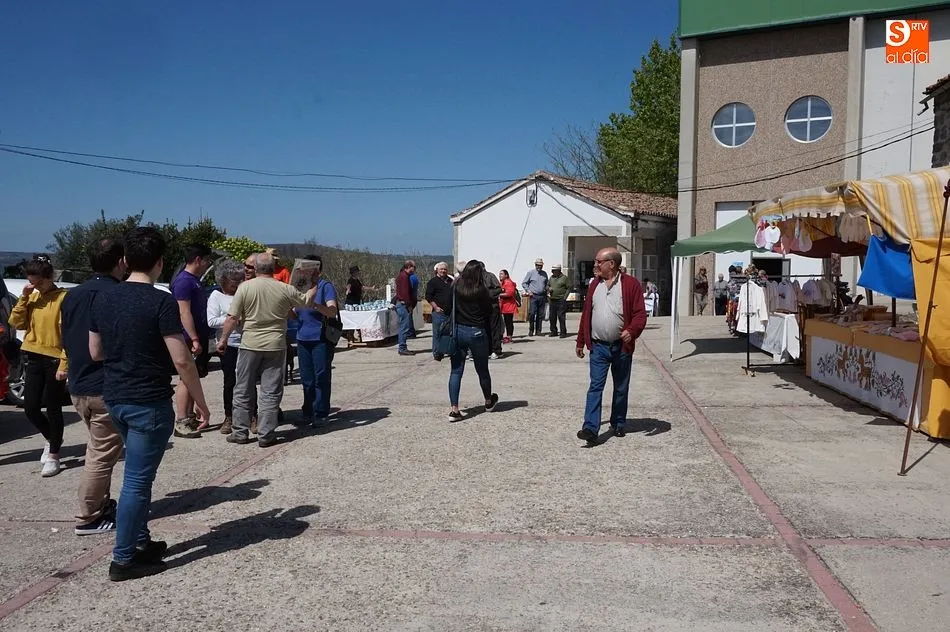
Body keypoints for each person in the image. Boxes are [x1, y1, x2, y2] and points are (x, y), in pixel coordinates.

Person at [89, 226, 211, 581]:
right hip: (148, 401)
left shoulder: (104, 298)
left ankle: (140, 541)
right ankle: (124, 558)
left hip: (115, 396)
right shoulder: (160, 301)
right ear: (160, 262)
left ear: (125, 260)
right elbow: (182, 359)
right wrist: (200, 402)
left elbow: (95, 351)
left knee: (137, 478)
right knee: (137, 483)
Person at [216, 252, 317, 447]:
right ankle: (266, 434)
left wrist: (223, 340)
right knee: (270, 391)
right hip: (275, 345)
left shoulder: (245, 288)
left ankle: (240, 432)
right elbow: (307, 302)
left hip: (249, 344)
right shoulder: (285, 288)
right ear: (273, 268)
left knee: (242, 389)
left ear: (256, 268)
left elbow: (232, 317)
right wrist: (314, 283)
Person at [60, 238, 126, 534]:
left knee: (102, 450)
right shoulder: (117, 294)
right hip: (105, 385)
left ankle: (102, 505)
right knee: (100, 455)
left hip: (78, 384)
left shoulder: (72, 295)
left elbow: (64, 336)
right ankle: (89, 517)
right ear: (121, 261)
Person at [575, 248, 647, 446]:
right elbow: (586, 315)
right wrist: (581, 341)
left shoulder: (630, 284)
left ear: (612, 264)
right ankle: (590, 428)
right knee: (595, 387)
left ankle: (618, 422)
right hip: (598, 347)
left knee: (621, 387)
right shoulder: (594, 285)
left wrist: (632, 331)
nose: (595, 265)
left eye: (599, 262)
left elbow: (640, 314)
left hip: (621, 347)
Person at [8, 255, 68, 477]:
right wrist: (24, 298)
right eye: (32, 282)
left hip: (54, 358)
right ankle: (53, 438)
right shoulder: (31, 297)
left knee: (53, 407)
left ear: (50, 277)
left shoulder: (63, 298)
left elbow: (69, 333)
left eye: (39, 282)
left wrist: (64, 363)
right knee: (31, 407)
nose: (36, 286)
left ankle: (54, 454)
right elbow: (16, 323)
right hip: (33, 356)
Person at [207, 259, 256, 435]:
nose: (236, 283)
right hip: (228, 344)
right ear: (223, 280)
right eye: (233, 280)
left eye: (239, 279)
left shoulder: (245, 292)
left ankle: (253, 415)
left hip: (247, 342)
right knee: (230, 381)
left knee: (249, 381)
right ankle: (229, 416)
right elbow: (211, 321)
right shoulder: (216, 296)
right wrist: (232, 319)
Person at [169, 243, 212, 438]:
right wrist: (194, 338)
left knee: (192, 378)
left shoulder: (194, 281)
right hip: (187, 338)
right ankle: (181, 420)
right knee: (186, 379)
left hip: (198, 336)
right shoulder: (184, 282)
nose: (207, 264)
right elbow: (183, 312)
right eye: (206, 260)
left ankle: (190, 416)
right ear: (198, 260)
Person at [447, 261, 499, 420]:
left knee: (456, 370)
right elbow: (488, 311)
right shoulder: (481, 290)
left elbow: (449, 306)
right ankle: (488, 401)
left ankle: (454, 409)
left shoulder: (456, 287)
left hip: (459, 330)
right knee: (482, 370)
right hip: (477, 331)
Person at [293, 255, 339, 426]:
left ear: (317, 270)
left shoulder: (325, 287)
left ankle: (321, 412)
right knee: (307, 378)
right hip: (302, 338)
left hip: (320, 338)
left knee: (321, 376)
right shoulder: (299, 287)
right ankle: (308, 410)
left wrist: (314, 305)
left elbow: (332, 311)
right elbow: (294, 313)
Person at [425, 262, 453, 361]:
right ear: (437, 270)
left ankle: (447, 350)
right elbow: (428, 297)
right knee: (437, 333)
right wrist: (436, 307)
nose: (443, 271)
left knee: (449, 333)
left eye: (445, 269)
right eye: (441, 269)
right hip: (438, 313)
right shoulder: (433, 282)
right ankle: (437, 353)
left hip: (450, 313)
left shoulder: (450, 281)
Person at [394, 260, 417, 356]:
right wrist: (409, 306)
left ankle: (402, 347)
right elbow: (405, 293)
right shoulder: (404, 277)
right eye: (414, 267)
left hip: (402, 304)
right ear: (409, 266)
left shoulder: (403, 276)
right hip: (403, 305)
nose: (414, 269)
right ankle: (402, 348)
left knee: (404, 327)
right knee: (404, 327)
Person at [522, 258, 548, 336]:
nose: (539, 266)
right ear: (535, 265)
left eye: (540, 265)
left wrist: (547, 291)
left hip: (542, 296)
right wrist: (528, 291)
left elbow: (546, 284)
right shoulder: (531, 273)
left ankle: (538, 331)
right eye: (538, 265)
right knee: (532, 313)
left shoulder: (544, 274)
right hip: (533, 296)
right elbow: (524, 283)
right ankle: (531, 330)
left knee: (540, 314)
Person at [547, 264, 571, 338]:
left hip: (561, 300)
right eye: (552, 271)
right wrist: (548, 288)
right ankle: (553, 331)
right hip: (552, 299)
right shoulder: (551, 278)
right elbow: (547, 285)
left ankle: (563, 332)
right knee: (552, 317)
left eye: (554, 271)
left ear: (559, 270)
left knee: (561, 316)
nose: (553, 272)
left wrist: (565, 297)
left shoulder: (564, 278)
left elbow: (569, 287)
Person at [498, 269, 518, 344]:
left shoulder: (508, 282)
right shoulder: (502, 283)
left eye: (502, 274)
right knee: (504, 322)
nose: (500, 275)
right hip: (504, 306)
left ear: (506, 275)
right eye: (499, 274)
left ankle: (509, 337)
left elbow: (509, 293)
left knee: (508, 322)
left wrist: (498, 295)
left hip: (509, 306)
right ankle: (504, 336)